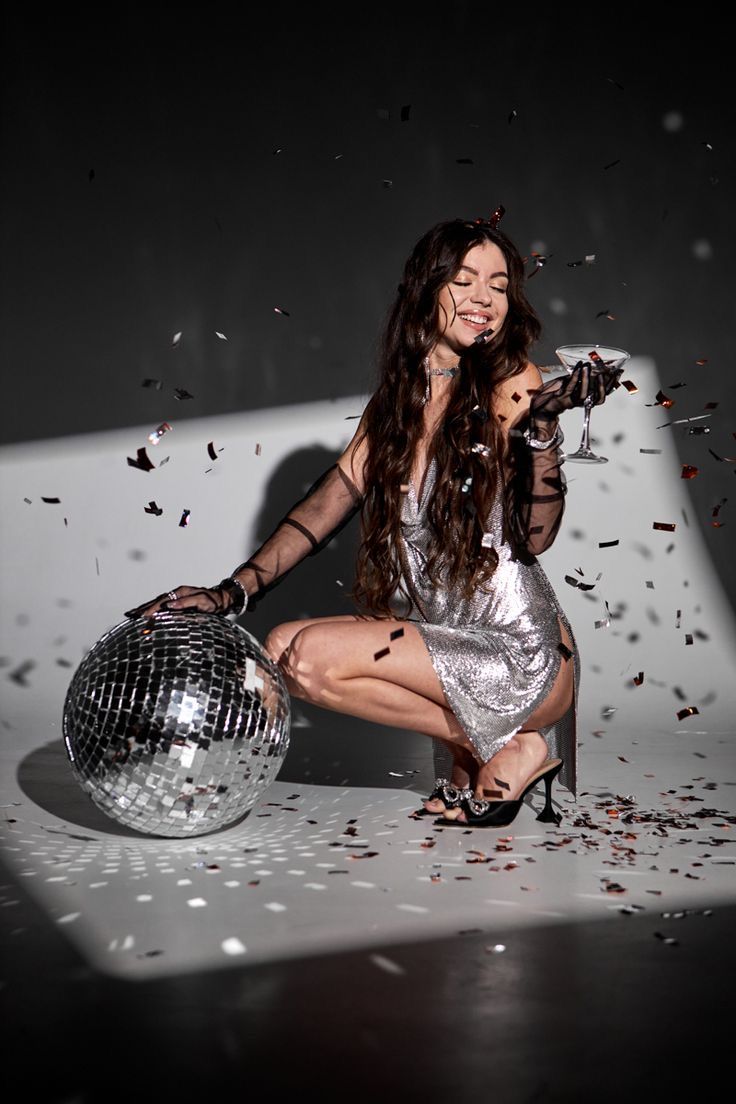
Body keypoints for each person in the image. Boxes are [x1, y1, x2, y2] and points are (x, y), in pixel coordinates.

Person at [126, 213, 621, 829]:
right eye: (465, 280)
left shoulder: (511, 381)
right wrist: (234, 592)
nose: (483, 299)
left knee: (305, 657)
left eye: (498, 284)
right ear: (427, 289)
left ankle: (509, 743)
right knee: (280, 648)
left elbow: (536, 538)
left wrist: (542, 433)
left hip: (519, 653)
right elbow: (328, 503)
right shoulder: (397, 401)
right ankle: (488, 746)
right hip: (452, 646)